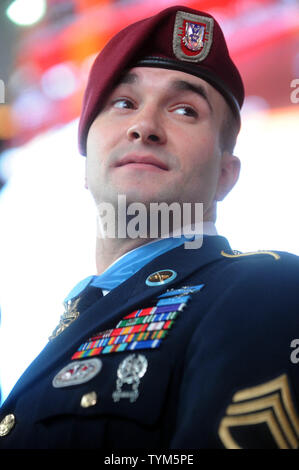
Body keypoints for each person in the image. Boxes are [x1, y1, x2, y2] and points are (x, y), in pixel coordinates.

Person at [0, 5, 299, 450]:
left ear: (225, 174)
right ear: (86, 163)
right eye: (123, 103)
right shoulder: (77, 317)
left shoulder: (267, 286)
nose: (144, 126)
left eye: (184, 110)